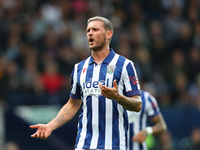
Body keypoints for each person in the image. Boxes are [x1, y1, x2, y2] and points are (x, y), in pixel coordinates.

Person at [30, 16, 142, 150]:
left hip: (114, 145)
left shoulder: (124, 65)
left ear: (108, 34)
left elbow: (137, 105)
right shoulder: (79, 68)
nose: (90, 33)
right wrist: (50, 126)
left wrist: (117, 97)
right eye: (88, 30)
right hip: (84, 144)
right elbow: (72, 104)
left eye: (95, 29)